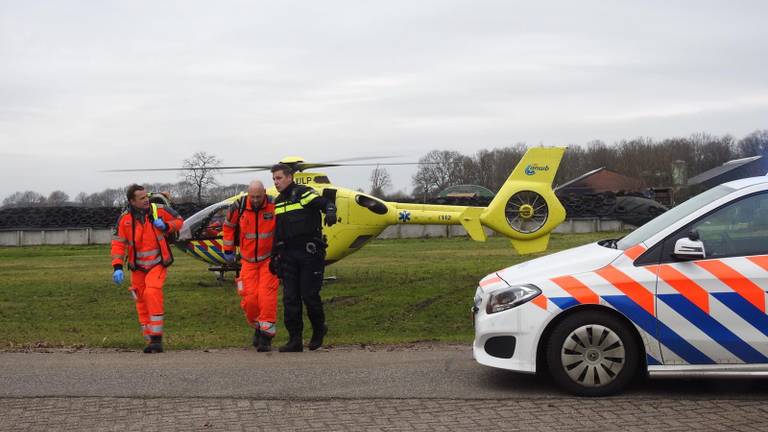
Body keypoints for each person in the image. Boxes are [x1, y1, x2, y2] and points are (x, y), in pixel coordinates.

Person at [269, 163, 337, 352]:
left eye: (279, 178)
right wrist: (274, 256)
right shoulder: (278, 202)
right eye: (274, 179)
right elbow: (278, 232)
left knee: (309, 295)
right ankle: (295, 340)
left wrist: (331, 211)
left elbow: (325, 204)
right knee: (290, 298)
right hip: (288, 255)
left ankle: (318, 330)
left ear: (289, 177)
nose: (276, 182)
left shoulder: (303, 193)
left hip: (309, 253)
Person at [110, 184, 184, 353]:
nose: (146, 200)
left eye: (146, 197)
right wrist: (117, 267)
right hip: (137, 268)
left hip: (157, 264)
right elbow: (118, 244)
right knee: (141, 301)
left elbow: (179, 221)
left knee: (152, 292)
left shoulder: (159, 210)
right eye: (142, 198)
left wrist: (166, 226)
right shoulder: (125, 219)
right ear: (132, 201)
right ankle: (150, 339)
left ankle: (157, 339)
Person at [222, 180, 279, 352]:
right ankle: (257, 327)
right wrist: (228, 249)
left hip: (269, 260)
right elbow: (228, 226)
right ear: (248, 194)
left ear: (264, 194)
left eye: (258, 196)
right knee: (249, 299)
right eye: (252, 196)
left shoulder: (274, 205)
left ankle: (266, 336)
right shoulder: (238, 206)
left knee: (266, 297)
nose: (255, 200)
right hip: (247, 261)